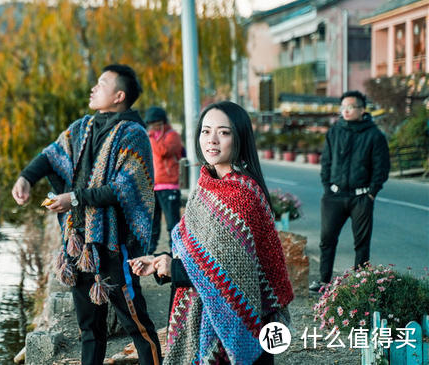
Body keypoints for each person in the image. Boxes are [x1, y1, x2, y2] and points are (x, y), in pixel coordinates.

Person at [11, 64, 162, 365]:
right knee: (89, 328)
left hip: (114, 245)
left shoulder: (134, 135)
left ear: (119, 95)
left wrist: (75, 198)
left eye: (102, 83)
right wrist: (26, 177)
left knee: (137, 324)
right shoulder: (84, 127)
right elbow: (51, 155)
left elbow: (122, 189)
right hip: (79, 245)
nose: (94, 88)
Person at [130, 101, 294, 365]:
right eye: (206, 132)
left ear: (239, 137)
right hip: (200, 313)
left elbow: (233, 276)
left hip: (238, 324)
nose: (212, 140)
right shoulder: (204, 187)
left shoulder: (243, 196)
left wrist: (174, 270)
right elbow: (200, 255)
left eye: (224, 132)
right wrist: (161, 262)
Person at [310, 90, 390, 292]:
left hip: (361, 197)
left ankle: (359, 284)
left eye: (350, 107)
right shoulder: (335, 131)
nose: (345, 111)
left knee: (361, 244)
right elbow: (326, 161)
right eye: (343, 107)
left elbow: (381, 167)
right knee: (327, 240)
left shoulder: (374, 135)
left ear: (362, 110)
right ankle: (323, 281)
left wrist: (371, 193)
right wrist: (327, 187)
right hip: (334, 196)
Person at [145, 106, 184, 250]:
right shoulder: (152, 136)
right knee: (153, 225)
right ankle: (149, 253)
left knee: (172, 224)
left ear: (161, 122)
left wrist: (150, 137)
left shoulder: (172, 135)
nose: (151, 127)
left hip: (169, 186)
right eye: (149, 124)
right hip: (153, 187)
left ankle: (177, 253)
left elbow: (163, 151)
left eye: (153, 123)